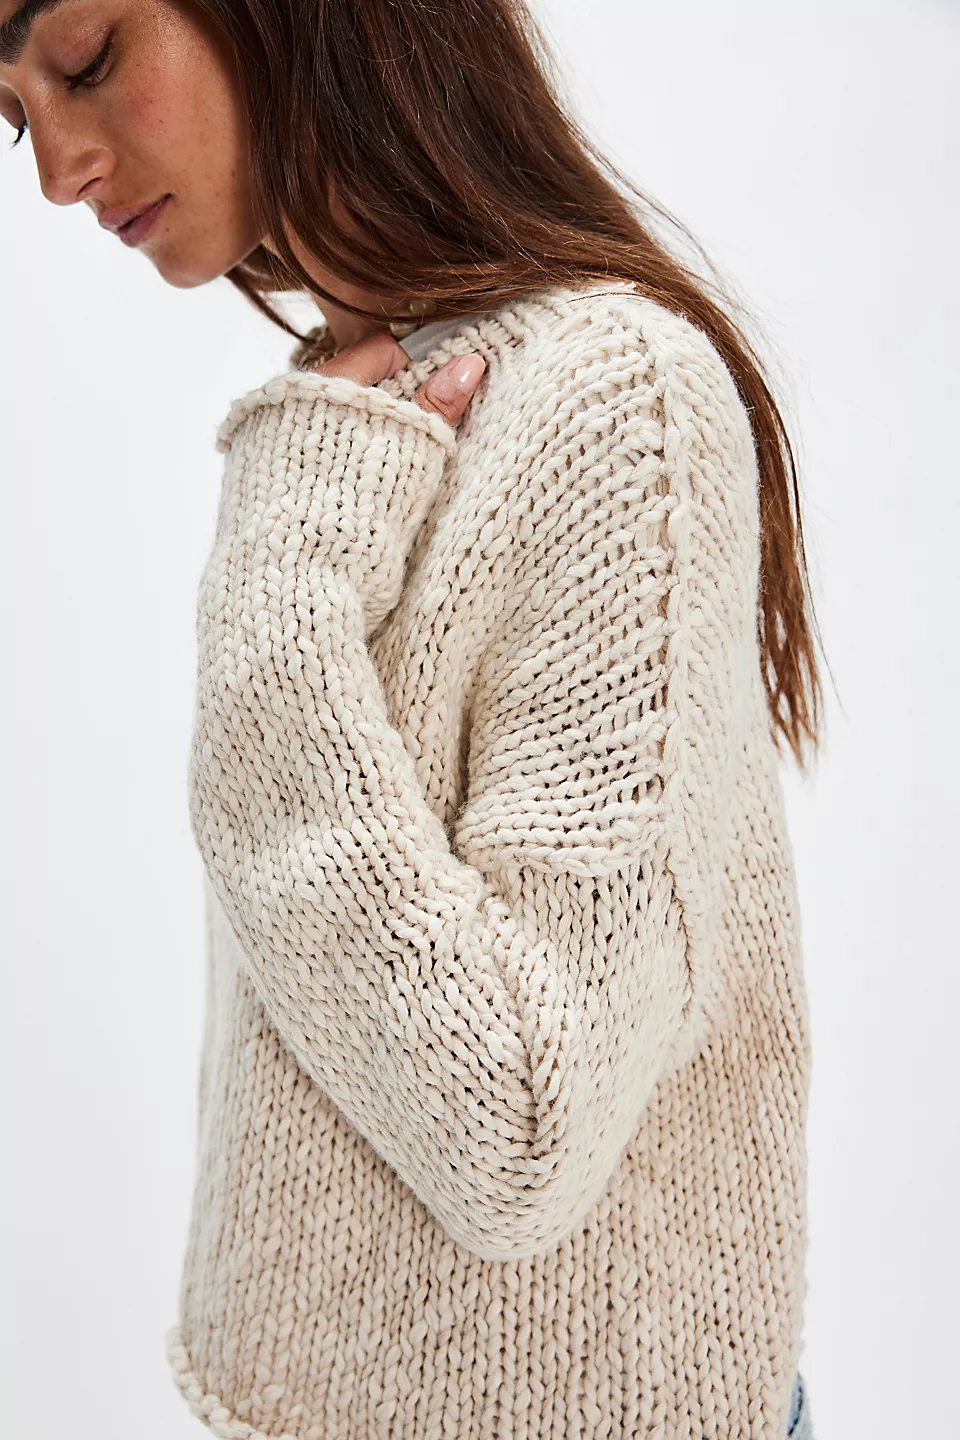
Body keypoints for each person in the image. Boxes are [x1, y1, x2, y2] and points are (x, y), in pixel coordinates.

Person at [1, 1, 823, 1436]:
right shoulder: (363, 396)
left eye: (85, 58)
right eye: (14, 118)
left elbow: (519, 1132)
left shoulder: (611, 397)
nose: (59, 170)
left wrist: (274, 599)